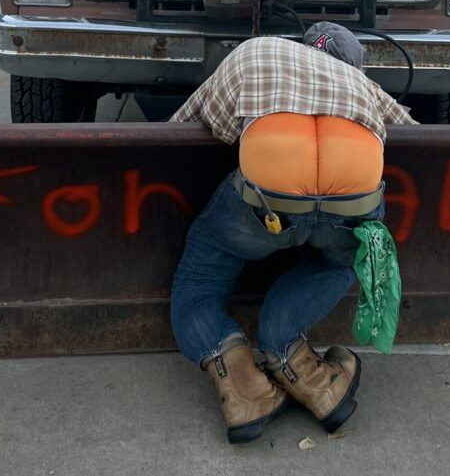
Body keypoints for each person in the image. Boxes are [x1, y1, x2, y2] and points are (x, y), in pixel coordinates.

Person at [167, 23, 418, 443]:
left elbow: (198, 125)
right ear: (352, 66)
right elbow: (416, 136)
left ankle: (243, 386)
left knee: (199, 280)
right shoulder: (364, 85)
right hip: (352, 208)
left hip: (268, 206)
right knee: (337, 263)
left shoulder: (257, 52)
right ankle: (306, 373)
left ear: (302, 46)